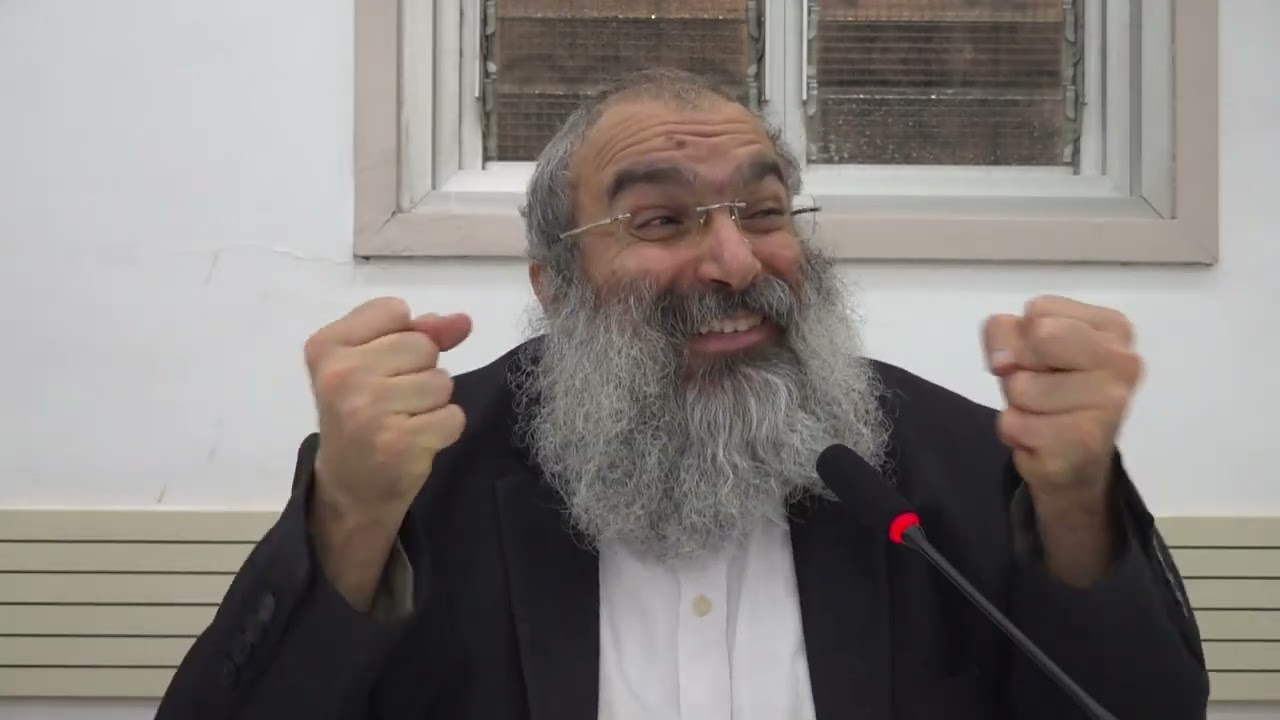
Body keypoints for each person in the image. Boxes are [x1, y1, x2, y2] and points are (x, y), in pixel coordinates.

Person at [155, 68, 1209, 720]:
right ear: (554, 287)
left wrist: (1077, 503)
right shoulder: (416, 476)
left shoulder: (966, 468)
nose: (735, 262)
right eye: (661, 222)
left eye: (763, 211)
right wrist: (347, 517)